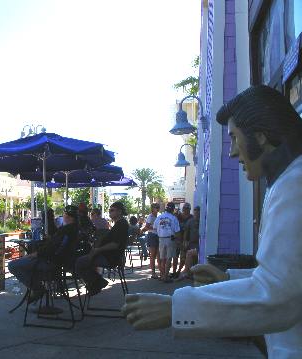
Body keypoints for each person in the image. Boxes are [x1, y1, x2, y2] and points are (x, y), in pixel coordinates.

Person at [122, 85, 302, 359]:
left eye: (234, 138)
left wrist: (176, 308)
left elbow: (280, 298)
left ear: (261, 137)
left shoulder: (294, 185)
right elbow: (287, 279)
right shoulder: (288, 181)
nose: (231, 152)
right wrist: (230, 278)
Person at [8, 205, 80, 303]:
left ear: (68, 216)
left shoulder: (66, 230)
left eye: (64, 214)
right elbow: (58, 245)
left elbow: (50, 249)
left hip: (49, 263)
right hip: (60, 263)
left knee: (12, 265)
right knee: (24, 263)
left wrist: (35, 254)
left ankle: (37, 288)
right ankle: (37, 286)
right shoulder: (74, 230)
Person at [75, 202, 129, 296]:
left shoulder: (122, 224)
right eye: (109, 210)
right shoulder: (118, 224)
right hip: (108, 255)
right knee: (84, 259)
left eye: (112, 210)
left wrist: (98, 250)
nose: (110, 212)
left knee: (79, 262)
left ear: (119, 211)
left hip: (111, 258)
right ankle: (96, 282)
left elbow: (115, 244)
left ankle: (97, 282)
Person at [153, 202, 180, 283]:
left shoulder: (159, 217)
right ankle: (166, 276)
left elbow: (154, 227)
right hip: (170, 239)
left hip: (161, 238)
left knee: (162, 258)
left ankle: (162, 275)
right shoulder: (173, 218)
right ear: (172, 209)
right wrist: (179, 240)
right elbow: (177, 231)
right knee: (168, 258)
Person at [176, 206, 200, 281]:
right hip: (191, 243)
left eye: (198, 210)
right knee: (183, 257)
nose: (196, 211)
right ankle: (183, 272)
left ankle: (190, 273)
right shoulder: (190, 221)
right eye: (195, 210)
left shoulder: (203, 220)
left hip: (199, 244)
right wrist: (184, 241)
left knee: (195, 259)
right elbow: (186, 232)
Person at [141, 203, 161, 279]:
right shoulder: (150, 216)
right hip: (152, 235)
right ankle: (153, 273)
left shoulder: (160, 215)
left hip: (159, 235)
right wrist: (155, 227)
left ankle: (161, 272)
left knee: (159, 255)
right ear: (152, 208)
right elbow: (147, 227)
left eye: (158, 207)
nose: (158, 208)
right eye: (156, 207)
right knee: (153, 255)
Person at [173, 203, 193, 277]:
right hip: (177, 239)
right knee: (175, 256)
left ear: (189, 209)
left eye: (187, 208)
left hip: (185, 240)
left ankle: (179, 270)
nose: (186, 210)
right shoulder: (178, 216)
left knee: (183, 257)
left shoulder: (191, 217)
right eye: (184, 208)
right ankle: (174, 272)